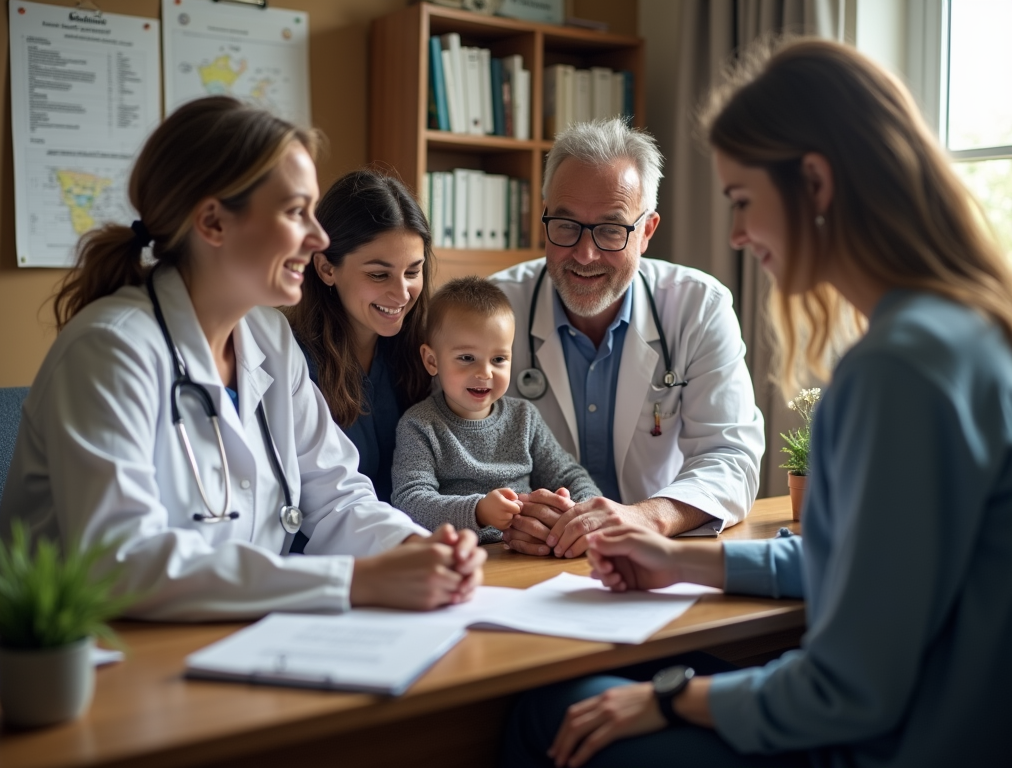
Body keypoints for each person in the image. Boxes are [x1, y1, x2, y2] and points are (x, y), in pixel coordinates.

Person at [502, 38, 1012, 768]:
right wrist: (680, 564)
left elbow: (849, 690)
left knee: (555, 713)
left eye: (742, 200)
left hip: (881, 745)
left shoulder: (897, 370)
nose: (737, 234)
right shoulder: (967, 332)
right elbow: (858, 567)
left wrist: (669, 699)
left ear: (815, 183)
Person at [0, 97, 485, 621]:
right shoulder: (110, 350)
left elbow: (338, 496)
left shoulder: (268, 336)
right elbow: (121, 561)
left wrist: (417, 549)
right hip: (97, 654)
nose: (318, 238)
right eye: (297, 212)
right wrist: (353, 580)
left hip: (233, 635)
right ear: (213, 222)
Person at [491, 119, 765, 558]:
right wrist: (517, 512)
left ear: (648, 230)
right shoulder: (494, 308)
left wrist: (644, 517)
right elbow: (452, 445)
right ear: (542, 215)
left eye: (611, 229)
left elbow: (730, 457)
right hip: (534, 559)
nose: (585, 254)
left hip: (657, 556)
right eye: (565, 224)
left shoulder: (699, 306)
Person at [392, 277, 601, 543]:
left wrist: (581, 512)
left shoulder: (524, 418)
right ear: (432, 361)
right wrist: (479, 511)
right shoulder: (419, 425)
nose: (485, 372)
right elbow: (409, 502)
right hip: (462, 556)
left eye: (499, 359)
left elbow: (570, 475)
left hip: (529, 552)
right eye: (467, 358)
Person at [286, 168, 432, 504]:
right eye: (379, 275)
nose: (402, 294)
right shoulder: (293, 362)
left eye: (412, 271)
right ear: (325, 268)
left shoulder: (423, 352)